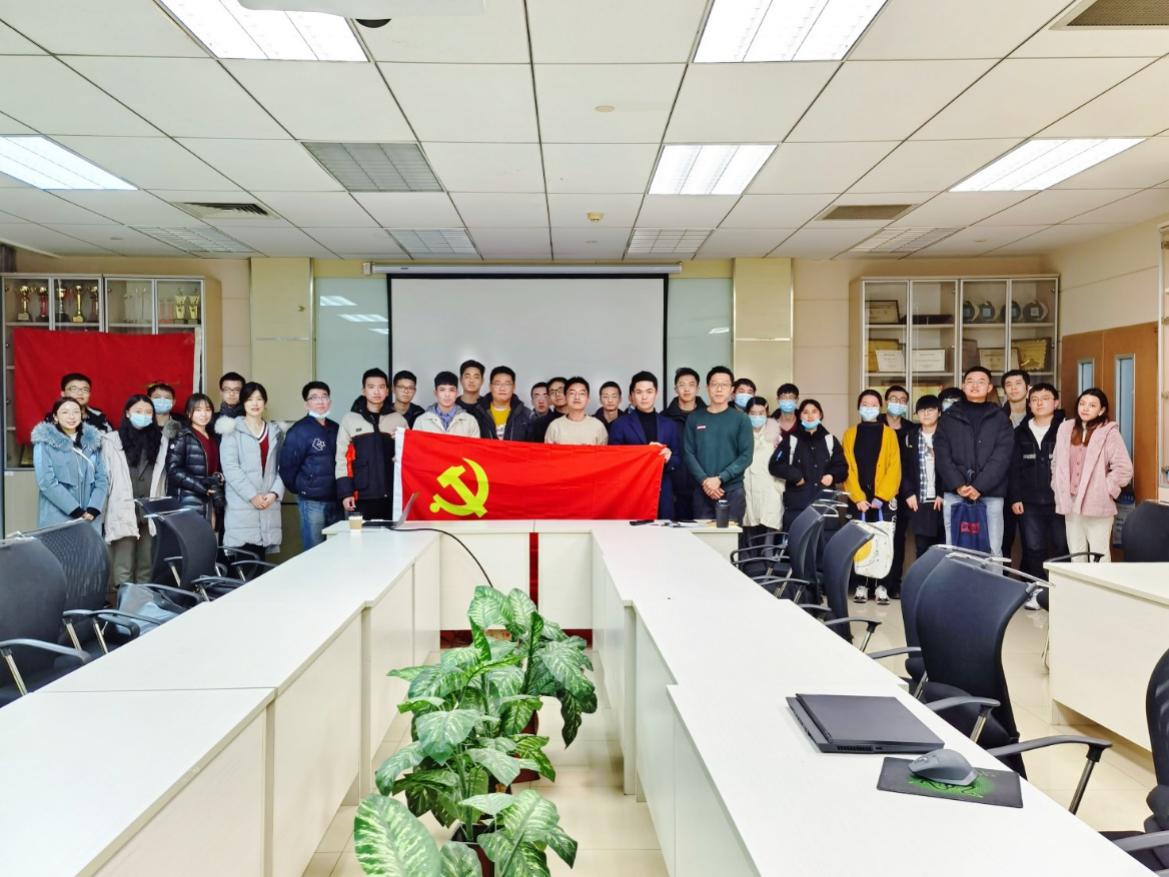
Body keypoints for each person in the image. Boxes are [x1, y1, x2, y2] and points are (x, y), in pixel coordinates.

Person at [935, 366, 1016, 557]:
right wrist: (958, 484)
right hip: (956, 494)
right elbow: (942, 454)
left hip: (990, 493)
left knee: (993, 549)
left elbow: (1002, 456)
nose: (975, 385)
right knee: (955, 549)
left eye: (981, 381)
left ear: (989, 387)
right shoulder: (948, 417)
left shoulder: (1000, 418)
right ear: (963, 386)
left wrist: (980, 486)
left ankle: (991, 580)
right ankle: (960, 579)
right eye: (970, 381)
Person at [1051, 388, 1133, 565]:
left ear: (1101, 410)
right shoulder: (1066, 429)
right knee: (1076, 555)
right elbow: (1056, 463)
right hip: (1071, 504)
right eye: (1082, 404)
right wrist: (1056, 486)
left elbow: (1124, 468)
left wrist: (1105, 489)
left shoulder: (1109, 432)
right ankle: (1080, 585)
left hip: (1098, 504)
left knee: (1099, 556)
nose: (1085, 408)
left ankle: (1101, 586)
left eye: (1092, 405)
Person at [102, 395, 169, 596]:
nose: (144, 415)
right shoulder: (111, 440)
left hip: (149, 509)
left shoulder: (161, 440)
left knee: (146, 564)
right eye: (138, 411)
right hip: (123, 508)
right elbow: (105, 477)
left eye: (148, 412)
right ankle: (123, 605)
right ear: (127, 413)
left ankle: (143, 604)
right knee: (122, 565)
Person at [1009, 382, 1067, 599]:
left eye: (1045, 399)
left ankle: (1062, 594)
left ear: (1056, 402)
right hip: (1029, 501)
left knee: (1062, 546)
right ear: (1029, 404)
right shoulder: (1020, 432)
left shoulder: (1066, 429)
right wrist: (1015, 497)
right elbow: (1013, 468)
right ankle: (1038, 593)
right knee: (1033, 548)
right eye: (1034, 400)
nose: (1039, 403)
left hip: (1060, 501)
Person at [843, 390, 901, 604]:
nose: (869, 407)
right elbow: (847, 467)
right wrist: (857, 497)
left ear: (880, 407)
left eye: (873, 404)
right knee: (860, 541)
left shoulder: (890, 434)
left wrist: (881, 496)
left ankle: (881, 586)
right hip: (859, 499)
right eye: (865, 404)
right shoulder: (850, 434)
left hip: (882, 499)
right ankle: (861, 584)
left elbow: (894, 468)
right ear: (859, 407)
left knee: (884, 541)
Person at [219, 381, 284, 558]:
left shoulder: (275, 432)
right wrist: (252, 495)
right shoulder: (232, 430)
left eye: (259, 399)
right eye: (249, 399)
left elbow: (283, 467)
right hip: (243, 505)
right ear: (243, 403)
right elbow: (230, 468)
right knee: (244, 561)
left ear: (265, 402)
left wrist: (274, 493)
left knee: (260, 561)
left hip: (269, 504)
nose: (255, 403)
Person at [336, 368, 408, 521]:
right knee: (361, 535)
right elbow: (342, 458)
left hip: (392, 493)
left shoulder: (398, 419)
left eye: (381, 387)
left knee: (392, 534)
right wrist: (346, 492)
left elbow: (410, 454)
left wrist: (401, 444)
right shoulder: (350, 419)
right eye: (371, 387)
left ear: (387, 391)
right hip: (361, 494)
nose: (376, 391)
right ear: (363, 390)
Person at [683, 366, 752, 522]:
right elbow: (688, 453)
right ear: (707, 388)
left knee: (730, 535)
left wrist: (720, 478)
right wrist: (705, 481)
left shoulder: (741, 419)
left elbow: (746, 456)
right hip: (702, 490)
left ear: (731, 390)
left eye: (724, 385)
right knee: (702, 536)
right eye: (714, 384)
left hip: (732, 491)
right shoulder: (694, 418)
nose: (719, 389)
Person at [609, 371, 680, 519]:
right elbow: (614, 461)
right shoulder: (619, 424)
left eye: (649, 391)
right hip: (631, 491)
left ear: (656, 393)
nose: (644, 397)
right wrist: (644, 452)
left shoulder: (670, 425)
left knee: (663, 531)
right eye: (639, 392)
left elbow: (678, 459)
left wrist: (668, 458)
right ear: (632, 395)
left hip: (662, 492)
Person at [279, 381, 341, 551]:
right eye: (314, 398)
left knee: (337, 549)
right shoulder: (298, 430)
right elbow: (287, 468)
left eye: (324, 397)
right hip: (312, 501)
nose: (320, 401)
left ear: (330, 401)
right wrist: (303, 488)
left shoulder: (336, 428)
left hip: (336, 499)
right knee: (314, 549)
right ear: (306, 404)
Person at [768, 398, 848, 531]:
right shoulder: (791, 440)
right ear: (800, 416)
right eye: (805, 412)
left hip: (825, 504)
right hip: (797, 504)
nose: (810, 416)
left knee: (825, 541)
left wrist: (832, 476)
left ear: (820, 415)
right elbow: (775, 465)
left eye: (814, 412)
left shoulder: (830, 440)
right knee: (797, 540)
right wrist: (796, 476)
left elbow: (842, 467)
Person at [32, 397, 109, 531]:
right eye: (65, 412)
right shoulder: (44, 443)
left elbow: (101, 478)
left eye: (76, 412)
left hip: (90, 517)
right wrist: (75, 510)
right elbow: (46, 482)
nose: (71, 416)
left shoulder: (92, 441)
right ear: (55, 417)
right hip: (58, 516)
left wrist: (94, 508)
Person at [878, 384, 916, 599]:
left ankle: (894, 583)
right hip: (878, 492)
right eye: (893, 398)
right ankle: (875, 582)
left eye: (902, 400)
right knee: (877, 536)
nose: (897, 403)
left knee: (897, 538)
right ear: (886, 401)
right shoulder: (875, 424)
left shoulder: (911, 429)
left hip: (903, 493)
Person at [741, 396, 785, 576]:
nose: (757, 416)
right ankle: (750, 564)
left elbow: (782, 462)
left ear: (767, 412)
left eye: (761, 413)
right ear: (747, 414)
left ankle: (769, 564)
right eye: (753, 413)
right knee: (749, 521)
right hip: (748, 485)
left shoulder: (776, 435)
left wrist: (779, 488)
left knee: (770, 523)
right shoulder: (741, 433)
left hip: (770, 486)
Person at [166, 393, 225, 526]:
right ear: (188, 413)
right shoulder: (182, 435)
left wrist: (219, 476)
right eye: (198, 410)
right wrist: (202, 487)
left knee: (208, 537)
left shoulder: (213, 437)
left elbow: (211, 468)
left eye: (207, 409)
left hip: (209, 500)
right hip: (187, 501)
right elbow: (173, 470)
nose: (203, 414)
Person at [900, 394, 944, 563]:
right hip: (920, 501)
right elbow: (903, 468)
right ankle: (923, 581)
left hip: (942, 500)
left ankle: (941, 582)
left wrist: (943, 492)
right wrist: (908, 493)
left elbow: (953, 467)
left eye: (931, 410)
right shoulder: (910, 437)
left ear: (939, 412)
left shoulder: (947, 435)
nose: (926, 414)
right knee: (922, 550)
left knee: (944, 550)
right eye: (922, 410)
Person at [664, 367, 706, 519]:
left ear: (698, 388)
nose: (687, 389)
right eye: (682, 385)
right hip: (674, 488)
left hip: (704, 486)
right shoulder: (664, 418)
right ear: (675, 389)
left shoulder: (708, 416)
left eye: (691, 384)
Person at [999, 368, 1031, 564]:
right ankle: (1002, 580)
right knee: (1002, 541)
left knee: (1032, 543)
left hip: (1030, 488)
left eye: (1018, 384)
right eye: (1009, 385)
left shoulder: (1038, 416)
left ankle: (1028, 581)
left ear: (1028, 388)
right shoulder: (997, 416)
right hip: (1002, 487)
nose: (1013, 388)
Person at [413, 371, 482, 436]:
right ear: (435, 393)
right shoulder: (421, 421)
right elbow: (415, 444)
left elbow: (474, 445)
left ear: (457, 393)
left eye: (451, 390)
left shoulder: (470, 421)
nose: (447, 394)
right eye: (442, 390)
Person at [546, 376, 608, 445]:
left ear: (588, 399)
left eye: (582, 393)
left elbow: (604, 451)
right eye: (572, 393)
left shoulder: (598, 426)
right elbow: (547, 451)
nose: (577, 397)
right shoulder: (554, 426)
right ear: (566, 397)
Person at [479, 366, 533, 441]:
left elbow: (533, 446)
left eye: (507, 384)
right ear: (490, 387)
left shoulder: (527, 415)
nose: (502, 388)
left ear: (514, 387)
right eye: (497, 384)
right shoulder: (478, 413)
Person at [456, 359, 495, 438]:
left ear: (482, 381)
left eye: (476, 377)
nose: (471, 380)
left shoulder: (489, 407)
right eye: (467, 377)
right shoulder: (452, 406)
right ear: (460, 380)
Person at [529, 376, 566, 443]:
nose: (541, 401)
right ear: (532, 402)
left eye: (545, 396)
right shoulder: (538, 424)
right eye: (537, 396)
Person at [211, 371, 245, 437]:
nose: (232, 394)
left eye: (237, 390)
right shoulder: (210, 420)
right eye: (227, 389)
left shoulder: (249, 419)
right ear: (221, 392)